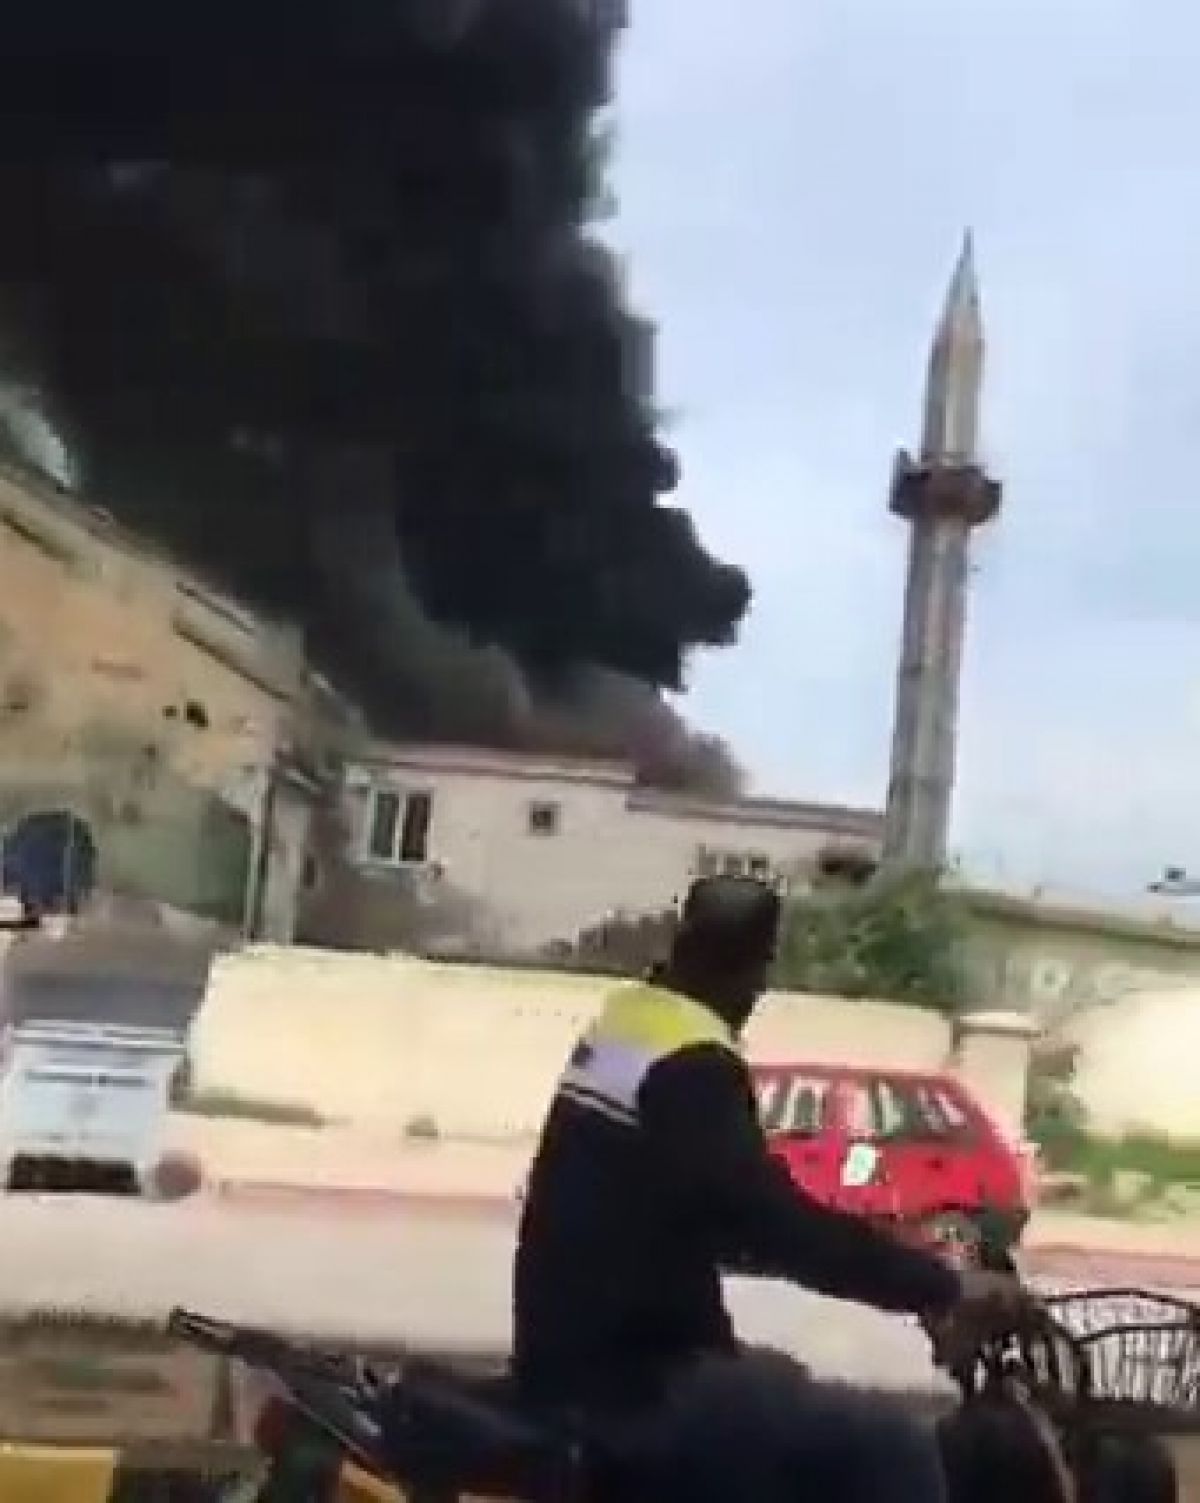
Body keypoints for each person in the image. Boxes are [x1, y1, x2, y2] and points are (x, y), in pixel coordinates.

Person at [513, 874, 1033, 1503]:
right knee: (893, 1449)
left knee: (780, 1383)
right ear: (755, 968)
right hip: (634, 1386)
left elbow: (717, 1207)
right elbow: (771, 1224)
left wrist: (895, 1253)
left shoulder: (628, 1023)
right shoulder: (694, 1062)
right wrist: (942, 1286)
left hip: (571, 1357)